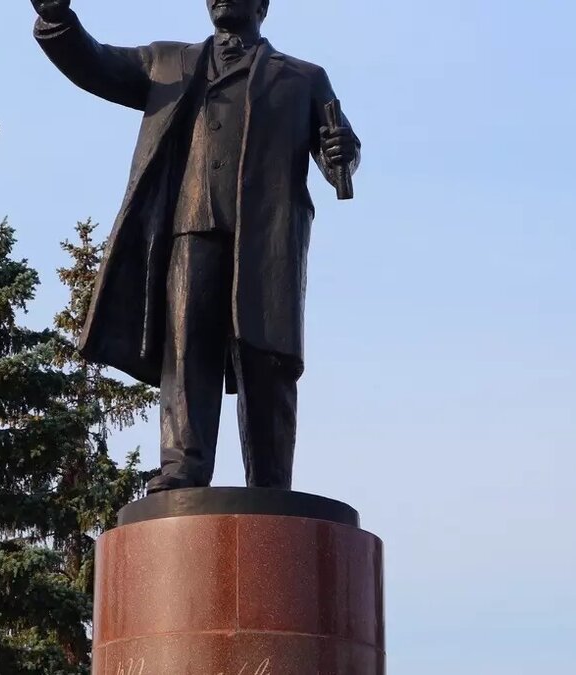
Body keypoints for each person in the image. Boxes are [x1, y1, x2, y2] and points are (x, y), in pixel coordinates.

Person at [30, 0, 361, 493]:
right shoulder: (168, 63)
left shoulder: (303, 79)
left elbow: (338, 149)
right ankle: (183, 468)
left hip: (267, 241)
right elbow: (95, 62)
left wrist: (344, 155)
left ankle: (271, 486)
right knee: (186, 351)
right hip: (191, 230)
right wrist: (58, 20)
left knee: (267, 360)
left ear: (262, 4)